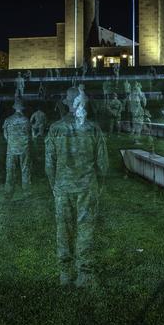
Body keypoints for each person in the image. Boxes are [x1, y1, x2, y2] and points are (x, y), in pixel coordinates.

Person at [45, 87, 108, 287]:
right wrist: (99, 184)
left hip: (63, 187)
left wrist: (54, 185)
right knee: (85, 227)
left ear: (68, 102)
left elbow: (49, 163)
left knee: (63, 228)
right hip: (87, 186)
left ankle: (65, 273)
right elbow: (103, 164)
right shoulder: (93, 128)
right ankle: (84, 273)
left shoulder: (55, 128)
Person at [2, 100, 31, 194]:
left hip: (11, 148)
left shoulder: (8, 120)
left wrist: (11, 142)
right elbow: (29, 134)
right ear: (23, 109)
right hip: (24, 148)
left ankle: (9, 190)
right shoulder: (26, 120)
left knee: (10, 169)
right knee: (25, 168)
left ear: (14, 108)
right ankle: (26, 190)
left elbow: (5, 135)